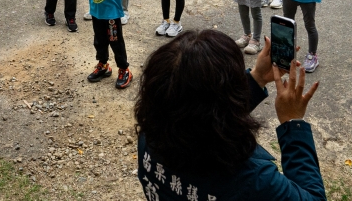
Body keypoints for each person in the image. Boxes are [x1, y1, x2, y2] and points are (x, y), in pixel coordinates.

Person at [134, 30, 325, 201]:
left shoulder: (150, 134)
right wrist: (292, 122)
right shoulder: (254, 181)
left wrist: (257, 77)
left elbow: (203, 111)